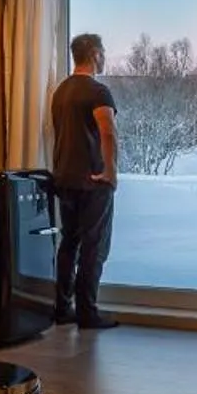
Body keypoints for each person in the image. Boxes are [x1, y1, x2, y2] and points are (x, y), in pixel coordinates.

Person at [48, 33, 120, 328]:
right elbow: (108, 131)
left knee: (69, 243)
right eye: (102, 52)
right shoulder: (98, 92)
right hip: (93, 180)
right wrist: (111, 172)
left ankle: (63, 308)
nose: (104, 57)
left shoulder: (61, 92)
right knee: (94, 246)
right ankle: (87, 312)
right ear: (93, 54)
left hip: (64, 178)